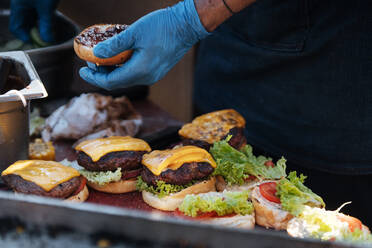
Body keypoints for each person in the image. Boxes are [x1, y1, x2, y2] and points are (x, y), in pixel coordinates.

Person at [13, 0, 372, 227]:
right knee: (209, 150)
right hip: (234, 44)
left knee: (321, 219)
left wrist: (194, 16)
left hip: (330, 83)